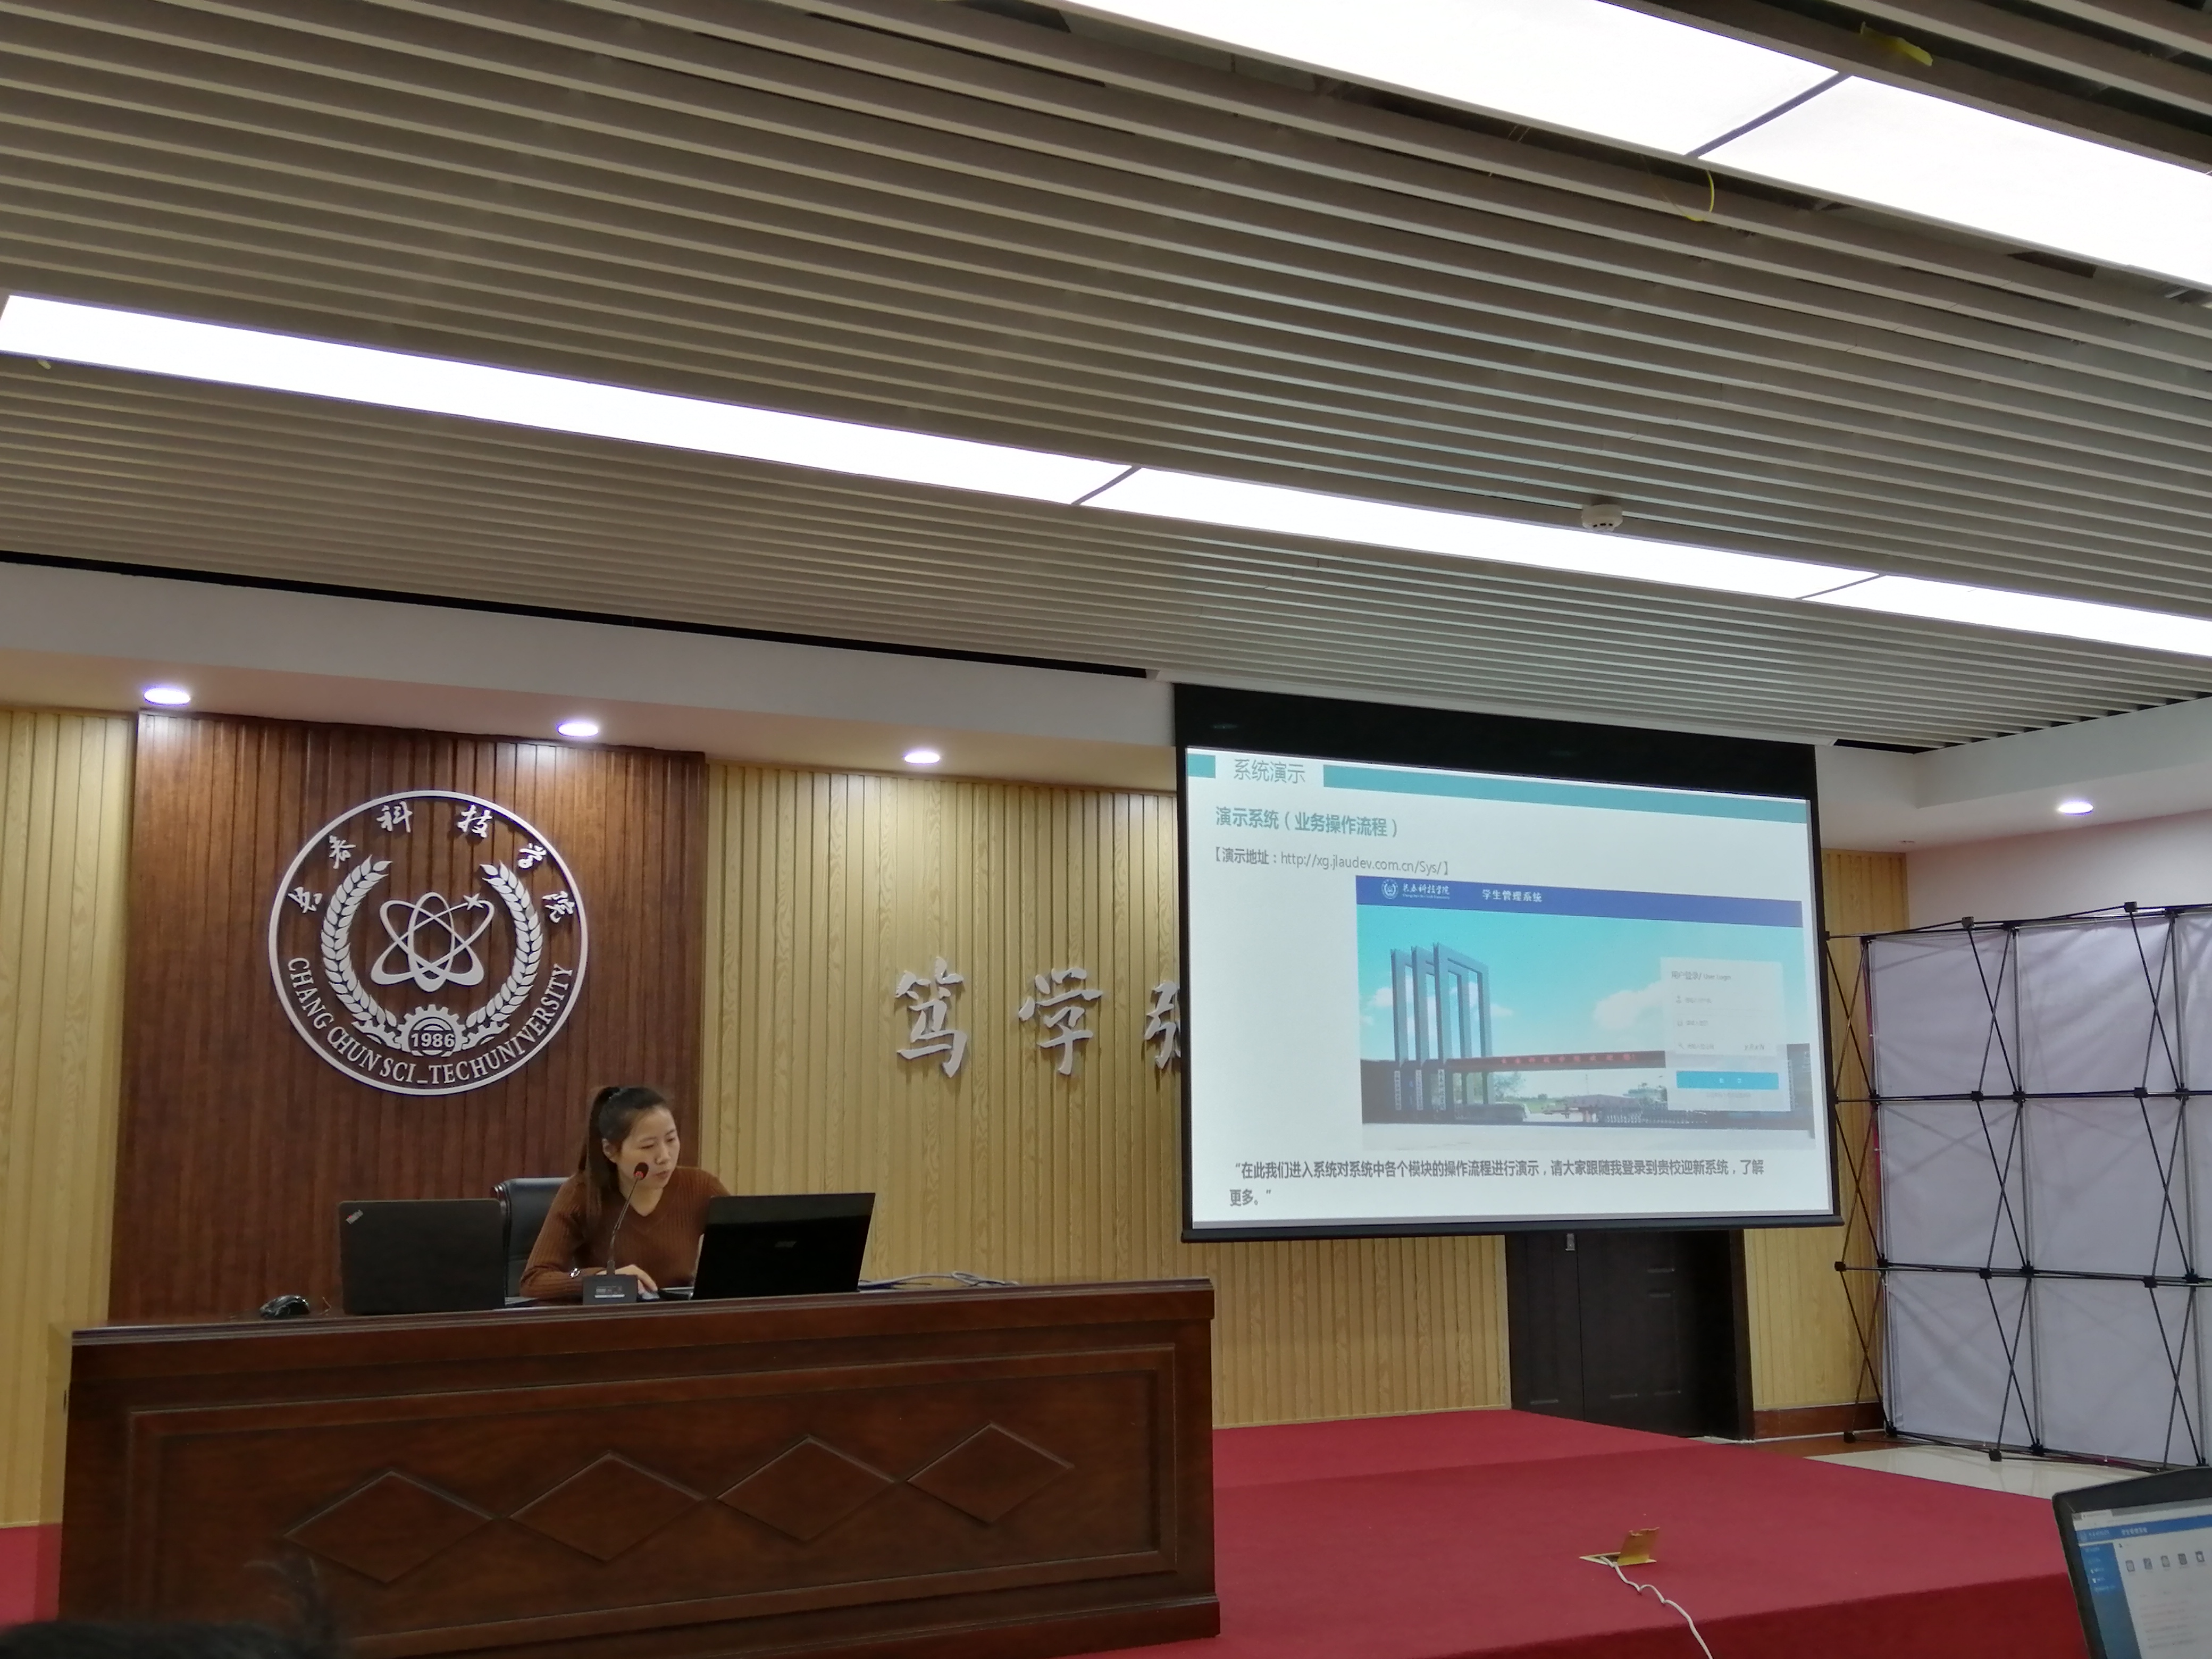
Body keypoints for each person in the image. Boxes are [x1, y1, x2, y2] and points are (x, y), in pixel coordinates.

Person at [519, 1084, 728, 1300]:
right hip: (612, 1319)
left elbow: (746, 1256)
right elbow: (535, 1279)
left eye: (671, 1140)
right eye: (648, 1146)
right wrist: (601, 1278)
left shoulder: (701, 1187)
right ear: (611, 1151)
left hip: (682, 1317)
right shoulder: (581, 1194)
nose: (664, 1157)